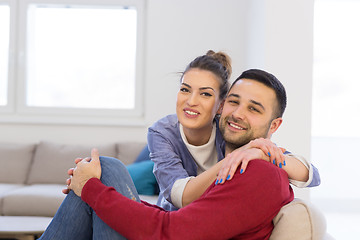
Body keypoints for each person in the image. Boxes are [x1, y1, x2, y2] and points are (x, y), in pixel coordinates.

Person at [40, 69, 306, 239]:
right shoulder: (240, 166)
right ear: (222, 106)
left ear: (274, 126)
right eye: (234, 102)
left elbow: (170, 230)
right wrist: (92, 190)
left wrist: (91, 189)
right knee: (104, 173)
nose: (237, 113)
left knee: (104, 172)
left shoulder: (261, 172)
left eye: (254, 109)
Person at [148, 51, 319, 211]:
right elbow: (179, 197)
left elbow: (311, 175)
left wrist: (263, 154)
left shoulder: (232, 131)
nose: (191, 101)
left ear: (221, 105)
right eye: (185, 89)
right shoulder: (162, 132)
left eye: (205, 94)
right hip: (171, 217)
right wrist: (238, 156)